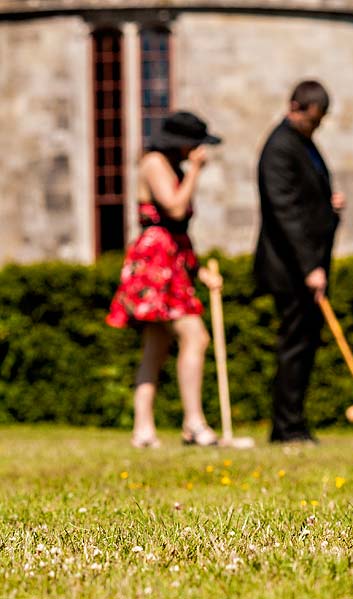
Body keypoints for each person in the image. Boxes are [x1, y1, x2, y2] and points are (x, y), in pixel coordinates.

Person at [107, 111, 224, 448]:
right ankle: (193, 423)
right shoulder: (155, 162)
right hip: (155, 261)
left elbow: (179, 229)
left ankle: (143, 430)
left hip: (172, 259)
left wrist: (197, 269)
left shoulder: (173, 167)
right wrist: (196, 173)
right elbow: (173, 208)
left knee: (156, 346)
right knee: (195, 336)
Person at [255, 80, 344, 444]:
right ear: (295, 107)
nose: (315, 126)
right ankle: (286, 427)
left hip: (307, 264)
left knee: (306, 344)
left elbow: (307, 197)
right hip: (289, 267)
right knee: (293, 344)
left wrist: (329, 204)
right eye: (312, 119)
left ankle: (296, 423)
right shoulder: (279, 148)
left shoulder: (303, 143)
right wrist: (310, 266)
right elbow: (284, 212)